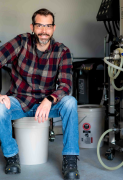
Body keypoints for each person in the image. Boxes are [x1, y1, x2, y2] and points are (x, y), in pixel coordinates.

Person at [0, 8, 80, 180]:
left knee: (70, 102)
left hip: (47, 105)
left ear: (53, 28)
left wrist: (49, 99)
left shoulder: (62, 51)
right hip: (19, 101)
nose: (44, 31)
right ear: (32, 27)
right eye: (39, 26)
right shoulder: (21, 42)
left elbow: (66, 85)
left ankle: (70, 159)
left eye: (48, 26)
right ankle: (11, 157)